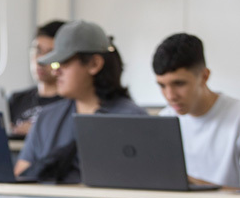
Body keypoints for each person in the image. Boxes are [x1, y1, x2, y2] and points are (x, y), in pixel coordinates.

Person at [14, 20, 146, 181]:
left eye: (65, 63)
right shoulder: (46, 118)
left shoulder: (133, 120)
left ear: (94, 64)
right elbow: (21, 176)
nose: (56, 72)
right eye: (56, 64)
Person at [153, 33, 240, 189]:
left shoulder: (236, 118)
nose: (170, 96)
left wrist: (194, 184)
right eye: (162, 86)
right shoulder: (164, 120)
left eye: (179, 83)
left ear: (204, 76)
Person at [7, 20, 64, 137]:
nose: (41, 60)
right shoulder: (16, 100)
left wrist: (38, 131)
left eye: (50, 53)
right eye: (38, 51)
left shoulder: (71, 103)